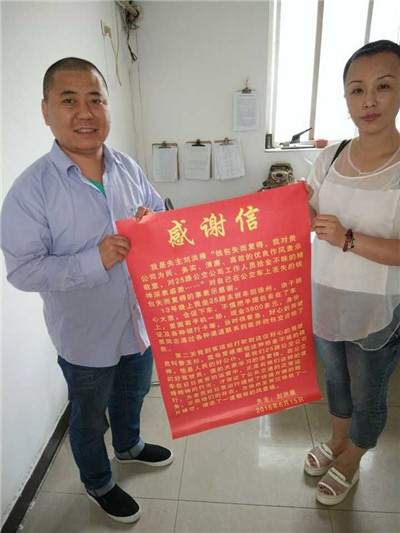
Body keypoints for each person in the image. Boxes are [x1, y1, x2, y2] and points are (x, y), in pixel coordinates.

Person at [1, 57, 173, 524]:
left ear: (108, 106)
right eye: (69, 100)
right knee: (89, 417)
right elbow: (23, 272)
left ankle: (129, 445)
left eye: (95, 99)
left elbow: (159, 213)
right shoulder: (30, 191)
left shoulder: (127, 167)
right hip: (85, 339)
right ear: (46, 111)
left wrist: (153, 222)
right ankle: (98, 482)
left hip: (137, 324)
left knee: (133, 395)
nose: (85, 112)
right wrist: (94, 260)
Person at [304, 40, 400, 506]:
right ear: (345, 98)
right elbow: (305, 211)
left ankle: (352, 458)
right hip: (326, 299)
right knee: (336, 382)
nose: (369, 100)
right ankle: (338, 439)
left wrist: (347, 238)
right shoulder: (330, 158)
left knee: (369, 394)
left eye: (384, 86)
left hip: (375, 311)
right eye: (357, 89)